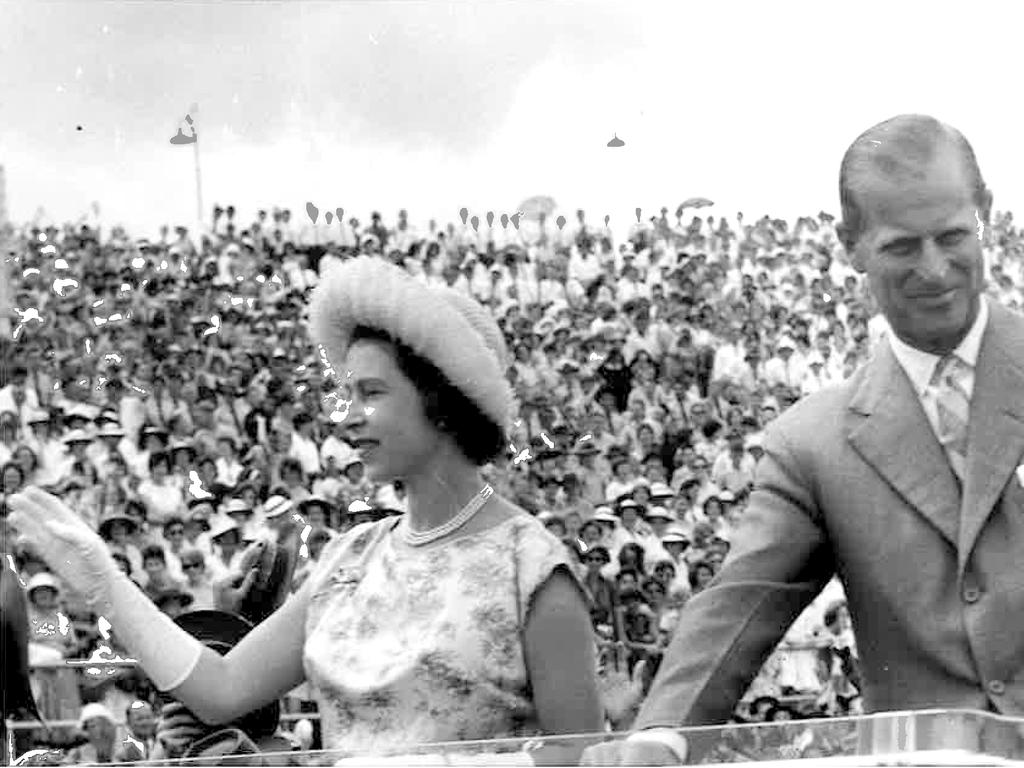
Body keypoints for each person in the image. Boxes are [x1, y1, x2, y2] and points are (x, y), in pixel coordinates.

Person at [10, 255, 601, 763]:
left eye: (370, 393)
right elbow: (221, 689)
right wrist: (104, 583)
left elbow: (587, 758)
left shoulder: (531, 567)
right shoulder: (351, 557)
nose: (345, 417)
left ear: (443, 403)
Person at [582, 114, 1024, 765]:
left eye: (953, 236)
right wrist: (661, 734)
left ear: (984, 211)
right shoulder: (812, 445)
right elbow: (738, 603)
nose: (935, 269)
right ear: (850, 245)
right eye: (903, 247)